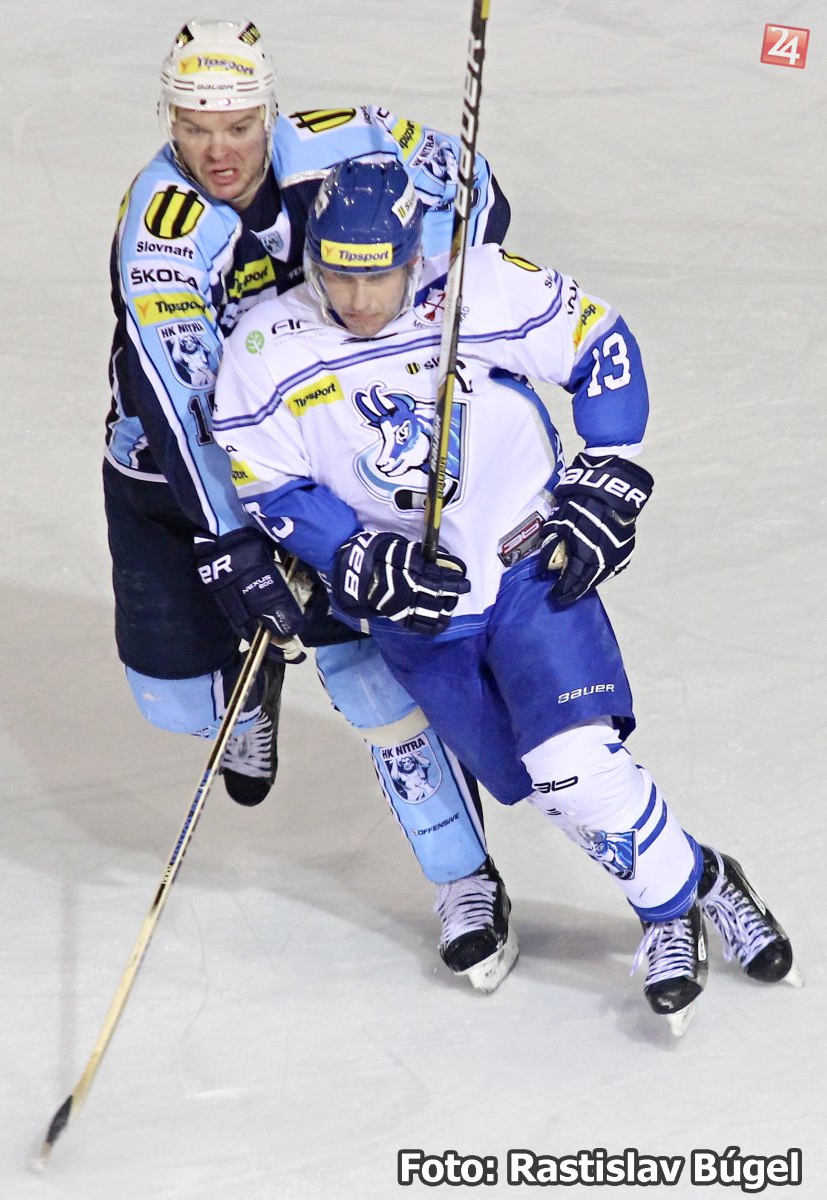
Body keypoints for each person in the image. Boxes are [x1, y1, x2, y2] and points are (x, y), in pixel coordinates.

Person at [212, 158, 801, 1035]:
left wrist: (608, 472)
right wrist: (352, 554)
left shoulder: (480, 287)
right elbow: (267, 482)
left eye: (377, 275)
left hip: (530, 569)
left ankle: (666, 916)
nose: (358, 299)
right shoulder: (266, 347)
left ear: (413, 255)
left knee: (574, 768)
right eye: (337, 274)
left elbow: (601, 344)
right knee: (544, 787)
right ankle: (705, 876)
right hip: (416, 610)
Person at [103, 18, 518, 992]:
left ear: (270, 112)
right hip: (174, 476)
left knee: (371, 684)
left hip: (321, 464)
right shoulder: (163, 229)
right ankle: (247, 688)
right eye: (193, 127)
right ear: (167, 119)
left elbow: (475, 189)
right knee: (175, 702)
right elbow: (177, 401)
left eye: (238, 126)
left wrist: (419, 310)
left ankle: (464, 879)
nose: (217, 151)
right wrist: (233, 540)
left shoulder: (346, 143)